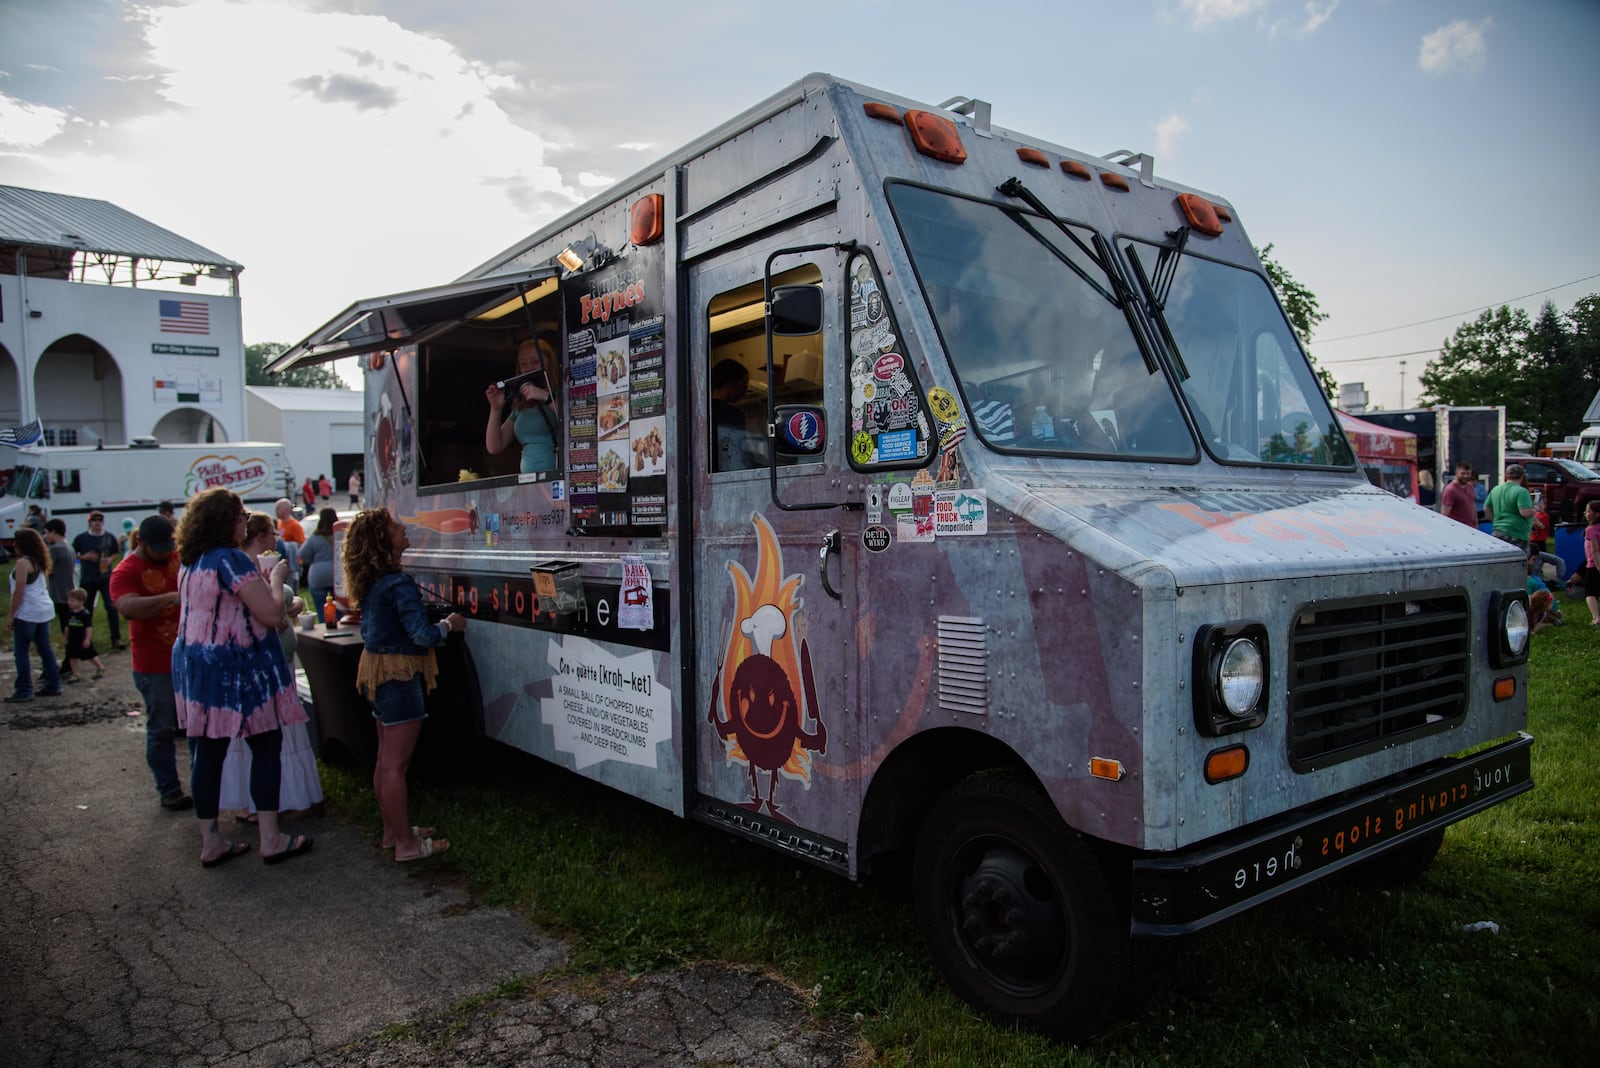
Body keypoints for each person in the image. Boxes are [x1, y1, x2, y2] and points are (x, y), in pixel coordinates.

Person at [172, 489, 313, 868]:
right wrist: (277, 577)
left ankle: (211, 841)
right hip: (239, 667)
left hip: (198, 664)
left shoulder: (191, 560)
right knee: (266, 746)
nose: (243, 523)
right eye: (239, 517)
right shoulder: (231, 560)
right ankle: (271, 838)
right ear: (225, 522)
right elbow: (270, 614)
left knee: (208, 752)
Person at [343, 508, 465, 861]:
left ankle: (391, 831)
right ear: (384, 541)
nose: (403, 528)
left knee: (385, 761)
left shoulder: (374, 582)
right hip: (399, 678)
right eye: (395, 527)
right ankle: (406, 846)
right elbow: (421, 635)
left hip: (376, 675)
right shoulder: (398, 584)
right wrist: (449, 624)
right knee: (396, 765)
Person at [217, 512, 321, 822]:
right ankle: (272, 802)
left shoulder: (246, 566)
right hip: (264, 667)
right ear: (259, 536)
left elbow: (283, 606)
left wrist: (291, 603)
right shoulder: (247, 569)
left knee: (271, 734)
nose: (276, 538)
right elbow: (269, 616)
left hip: (277, 662)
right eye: (271, 533)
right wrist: (279, 585)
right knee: (269, 735)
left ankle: (271, 800)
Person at [111, 515, 194, 811]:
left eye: (168, 546)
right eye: (158, 548)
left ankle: (203, 785)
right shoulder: (125, 570)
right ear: (141, 542)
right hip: (153, 665)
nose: (164, 553)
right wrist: (170, 598)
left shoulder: (177, 556)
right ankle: (169, 789)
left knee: (195, 724)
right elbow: (127, 607)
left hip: (188, 656)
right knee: (161, 729)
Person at [5, 528, 64, 703]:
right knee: (44, 647)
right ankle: (53, 683)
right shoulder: (40, 561)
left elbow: (19, 591)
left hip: (28, 611)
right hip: (44, 608)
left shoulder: (23, 563)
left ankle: (24, 689)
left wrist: (11, 615)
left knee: (21, 651)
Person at [485, 338, 559, 474]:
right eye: (523, 364)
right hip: (529, 479)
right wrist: (495, 409)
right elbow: (495, 446)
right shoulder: (521, 404)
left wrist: (546, 397)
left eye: (535, 362)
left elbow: (573, 422)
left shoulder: (561, 393)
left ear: (549, 362)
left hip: (556, 475)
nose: (529, 368)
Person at [73, 511, 125, 650]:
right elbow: (74, 555)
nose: (97, 523)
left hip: (105, 577)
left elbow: (115, 552)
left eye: (100, 520)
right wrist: (84, 558)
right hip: (88, 578)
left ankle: (116, 638)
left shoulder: (109, 537)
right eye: (94, 520)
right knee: (87, 609)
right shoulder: (82, 538)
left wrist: (110, 559)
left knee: (111, 607)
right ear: (90, 522)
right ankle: (85, 639)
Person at [710, 358, 760, 471]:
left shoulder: (700, 412)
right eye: (743, 386)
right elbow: (738, 453)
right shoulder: (733, 415)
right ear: (729, 382)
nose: (744, 392)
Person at [1483, 464, 1536, 554]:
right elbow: (1525, 512)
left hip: (1498, 532)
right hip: (1517, 534)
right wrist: (1536, 508)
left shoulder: (1496, 489)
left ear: (1506, 475)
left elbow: (1486, 509)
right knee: (1519, 565)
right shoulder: (1521, 491)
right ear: (1522, 476)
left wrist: (1495, 520)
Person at [42, 518, 76, 644]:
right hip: (69, 589)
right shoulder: (69, 547)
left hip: (58, 592)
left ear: (53, 532)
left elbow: (45, 569)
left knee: (65, 627)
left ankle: (70, 654)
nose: (45, 536)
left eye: (46, 532)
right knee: (69, 625)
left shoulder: (55, 549)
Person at [63, 588, 108, 681]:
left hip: (82, 639)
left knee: (90, 655)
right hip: (72, 639)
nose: (69, 602)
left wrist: (87, 639)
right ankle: (75, 673)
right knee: (72, 656)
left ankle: (100, 667)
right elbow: (67, 627)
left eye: (72, 601)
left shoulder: (85, 614)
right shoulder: (69, 613)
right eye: (69, 600)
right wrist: (65, 638)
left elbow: (89, 628)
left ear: (81, 602)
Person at [300, 507, 339, 612]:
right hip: (338, 575)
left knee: (322, 609)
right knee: (341, 609)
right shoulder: (341, 536)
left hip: (318, 576)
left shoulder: (314, 538)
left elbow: (303, 555)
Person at [274, 498, 306, 584]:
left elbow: (301, 544)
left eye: (278, 508)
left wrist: (285, 544)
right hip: (282, 560)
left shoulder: (295, 525)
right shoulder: (279, 523)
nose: (275, 511)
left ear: (287, 510)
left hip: (292, 563)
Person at [1439, 462, 1478, 526]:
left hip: (1471, 528)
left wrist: (1476, 524)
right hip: (1458, 528)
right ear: (1456, 473)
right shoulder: (1450, 490)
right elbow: (1444, 514)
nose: (1465, 476)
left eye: (1468, 473)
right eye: (1463, 473)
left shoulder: (1470, 486)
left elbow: (1473, 506)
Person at [1583, 499, 1600, 626]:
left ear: (1596, 514)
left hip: (1593, 565)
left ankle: (1596, 617)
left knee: (1590, 592)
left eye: (1588, 511)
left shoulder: (1591, 529)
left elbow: (1594, 550)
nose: (1585, 513)